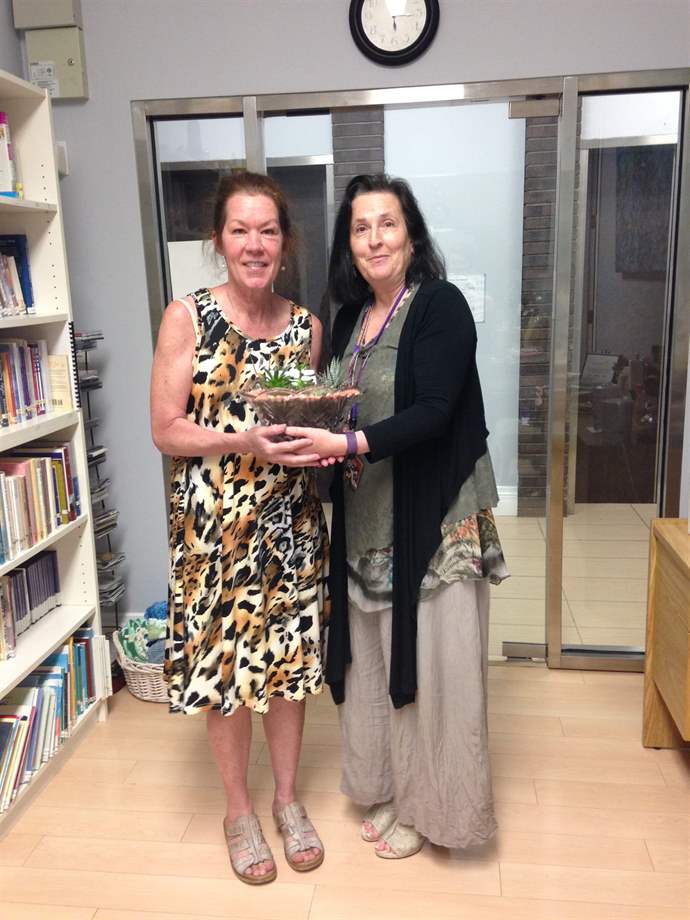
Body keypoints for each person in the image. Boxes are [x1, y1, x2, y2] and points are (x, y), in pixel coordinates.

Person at [286, 174, 508, 858]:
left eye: (388, 223)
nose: (375, 239)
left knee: (438, 671)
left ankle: (435, 810)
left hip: (434, 516)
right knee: (379, 661)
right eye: (361, 228)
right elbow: (338, 405)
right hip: (369, 515)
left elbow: (435, 412)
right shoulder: (349, 321)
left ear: (412, 236)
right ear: (348, 246)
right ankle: (395, 787)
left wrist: (346, 444)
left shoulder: (440, 305)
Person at [150, 171, 329, 885]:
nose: (255, 244)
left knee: (287, 667)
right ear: (219, 240)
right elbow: (165, 429)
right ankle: (238, 812)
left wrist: (324, 442)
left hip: (289, 525)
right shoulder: (187, 317)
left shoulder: (305, 327)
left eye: (268, 230)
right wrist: (241, 442)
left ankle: (287, 800)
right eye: (240, 230)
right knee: (224, 672)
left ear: (285, 242)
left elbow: (304, 421)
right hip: (213, 533)